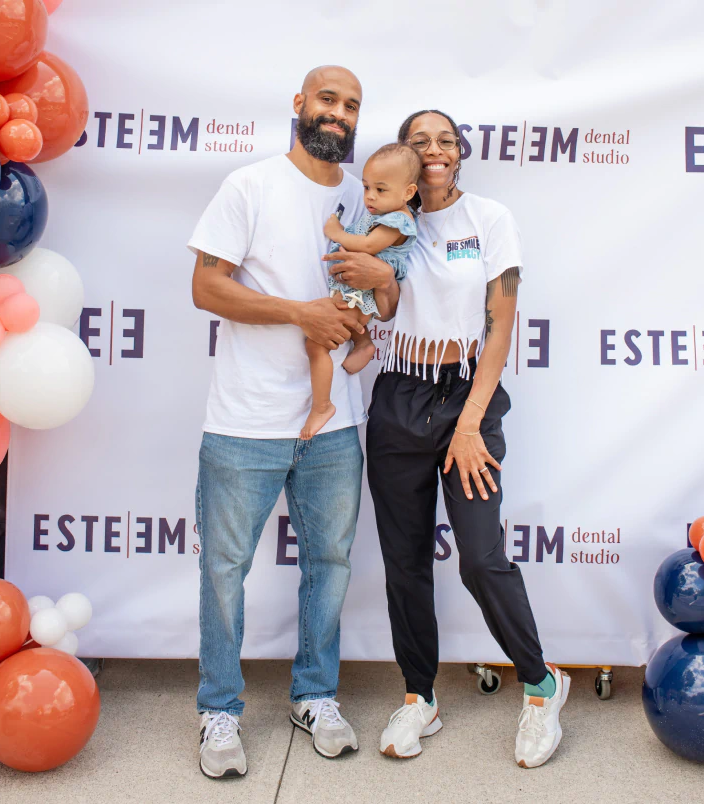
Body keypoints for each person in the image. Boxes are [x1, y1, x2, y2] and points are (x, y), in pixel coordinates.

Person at [324, 110, 568, 769]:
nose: (433, 150)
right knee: (404, 563)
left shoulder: (488, 219)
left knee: (480, 557)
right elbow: (379, 302)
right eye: (420, 140)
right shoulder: (388, 223)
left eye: (445, 140)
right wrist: (378, 282)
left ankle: (543, 687)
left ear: (460, 153)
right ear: (405, 157)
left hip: (468, 400)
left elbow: (500, 328)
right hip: (399, 397)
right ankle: (418, 694)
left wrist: (467, 426)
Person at [187, 65, 394, 780]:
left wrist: (384, 289)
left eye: (352, 106)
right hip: (245, 421)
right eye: (328, 99)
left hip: (335, 428)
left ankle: (315, 696)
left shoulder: (370, 198)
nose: (339, 114)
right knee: (224, 571)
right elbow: (204, 286)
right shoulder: (250, 186)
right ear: (300, 105)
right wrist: (300, 312)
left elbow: (391, 297)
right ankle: (219, 709)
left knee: (329, 567)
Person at [300, 143, 420, 439]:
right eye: (367, 187)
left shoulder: (398, 220)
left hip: (363, 287)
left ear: (408, 192)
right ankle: (364, 343)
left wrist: (336, 232)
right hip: (357, 285)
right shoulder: (381, 212)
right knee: (345, 319)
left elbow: (367, 247)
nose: (370, 197)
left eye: (381, 190)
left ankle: (322, 406)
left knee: (316, 344)